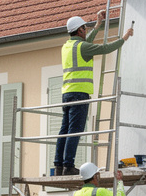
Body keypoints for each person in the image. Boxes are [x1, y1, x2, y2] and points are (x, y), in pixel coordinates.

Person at [54, 15, 133, 176]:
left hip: (67, 93)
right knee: (75, 131)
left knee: (65, 131)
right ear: (80, 30)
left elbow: (86, 43)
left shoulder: (67, 46)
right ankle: (69, 165)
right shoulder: (82, 47)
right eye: (85, 28)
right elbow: (105, 49)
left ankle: (58, 166)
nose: (86, 30)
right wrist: (124, 38)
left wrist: (98, 25)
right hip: (80, 94)